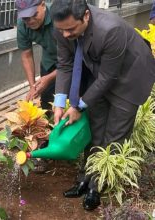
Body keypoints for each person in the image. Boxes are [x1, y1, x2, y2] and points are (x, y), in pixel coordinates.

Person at [50, 0, 155, 211]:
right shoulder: (62, 27)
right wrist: (60, 102)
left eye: (71, 29)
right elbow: (65, 64)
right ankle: (85, 179)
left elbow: (108, 77)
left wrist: (78, 106)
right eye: (62, 30)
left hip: (130, 77)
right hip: (100, 74)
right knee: (95, 129)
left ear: (86, 16)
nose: (66, 35)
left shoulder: (110, 29)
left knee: (114, 135)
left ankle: (97, 188)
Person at [16, 0, 58, 173]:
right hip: (50, 62)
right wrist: (33, 85)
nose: (30, 21)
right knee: (48, 105)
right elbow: (26, 55)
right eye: (26, 18)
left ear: (43, 5)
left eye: (34, 15)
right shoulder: (22, 24)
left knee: (72, 103)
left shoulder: (58, 17)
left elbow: (71, 60)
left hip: (74, 58)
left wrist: (48, 79)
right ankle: (48, 150)